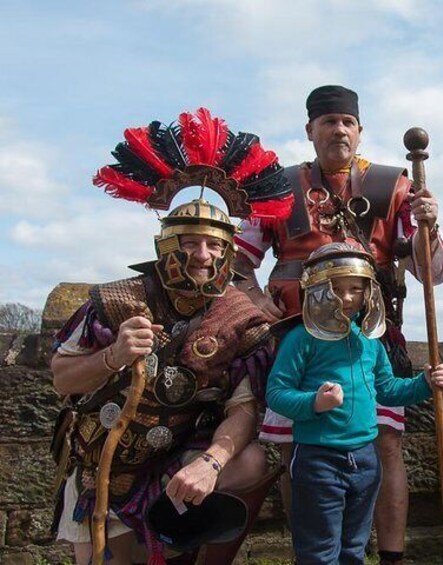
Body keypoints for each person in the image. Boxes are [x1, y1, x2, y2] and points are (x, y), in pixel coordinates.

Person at [50, 108, 293, 564]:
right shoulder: (116, 302)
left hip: (175, 461)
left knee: (257, 459)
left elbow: (243, 409)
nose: (203, 255)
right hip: (105, 463)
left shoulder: (241, 318)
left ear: (228, 250)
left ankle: (182, 517)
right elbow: (62, 379)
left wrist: (212, 462)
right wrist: (112, 356)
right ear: (166, 244)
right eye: (189, 242)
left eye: (215, 244)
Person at [234, 85, 443, 564]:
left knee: (386, 442)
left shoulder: (395, 185)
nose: (339, 130)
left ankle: (389, 556)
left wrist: (428, 226)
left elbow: (433, 272)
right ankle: (309, 553)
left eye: (347, 122)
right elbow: (236, 261)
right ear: (310, 130)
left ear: (360, 129)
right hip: (296, 332)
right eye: (328, 122)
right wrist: (254, 304)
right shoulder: (276, 186)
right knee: (293, 446)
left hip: (372, 330)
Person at [265, 242, 443, 565]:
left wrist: (425, 383)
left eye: (355, 288)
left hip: (366, 460)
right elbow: (277, 393)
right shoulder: (301, 339)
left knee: (354, 549)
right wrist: (314, 403)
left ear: (368, 291)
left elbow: (388, 390)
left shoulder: (370, 341)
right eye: (336, 289)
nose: (347, 298)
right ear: (318, 289)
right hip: (318, 461)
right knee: (320, 553)